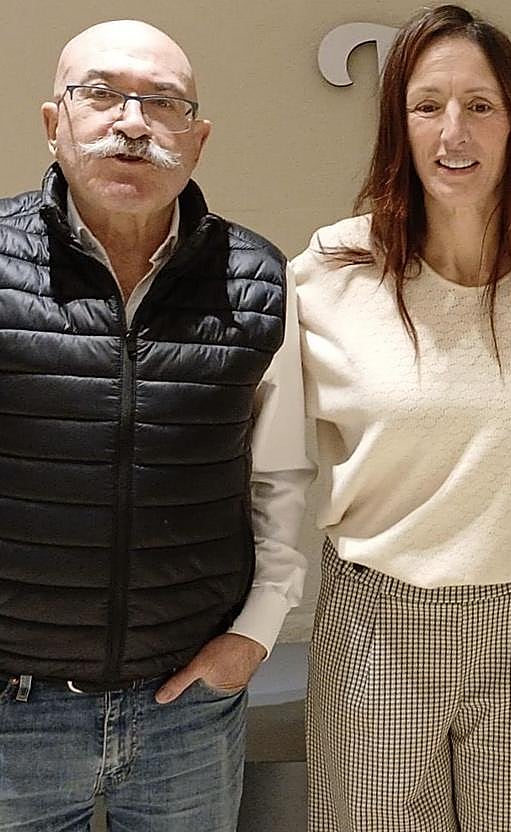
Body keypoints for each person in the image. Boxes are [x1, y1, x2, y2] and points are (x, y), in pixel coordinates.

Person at [290, 5, 511, 830]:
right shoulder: (332, 270)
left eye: (481, 105)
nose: (455, 130)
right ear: (399, 125)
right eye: (428, 105)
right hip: (375, 620)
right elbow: (239, 413)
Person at [0, 20, 310, 832]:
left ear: (197, 140)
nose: (133, 123)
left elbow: (279, 480)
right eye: (102, 94)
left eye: (164, 103)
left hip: (187, 711)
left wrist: (255, 634)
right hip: (12, 714)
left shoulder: (257, 281)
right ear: (54, 122)